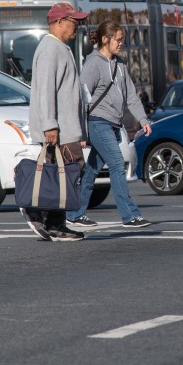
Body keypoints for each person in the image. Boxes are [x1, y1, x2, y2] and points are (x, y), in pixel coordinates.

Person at [67, 20, 153, 229]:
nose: (121, 43)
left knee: (91, 170)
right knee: (116, 163)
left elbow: (131, 95)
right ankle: (130, 215)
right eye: (118, 39)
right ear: (105, 39)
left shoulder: (120, 64)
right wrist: (81, 130)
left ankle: (75, 213)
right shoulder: (94, 64)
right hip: (97, 122)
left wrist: (143, 119)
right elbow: (82, 97)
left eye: (123, 39)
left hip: (113, 124)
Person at [25, 2, 90, 242]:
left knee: (61, 174)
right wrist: (50, 124)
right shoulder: (51, 48)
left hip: (65, 128)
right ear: (59, 22)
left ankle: (53, 221)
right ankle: (43, 216)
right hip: (59, 129)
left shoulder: (60, 47)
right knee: (68, 173)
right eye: (74, 22)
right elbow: (45, 90)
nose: (77, 27)